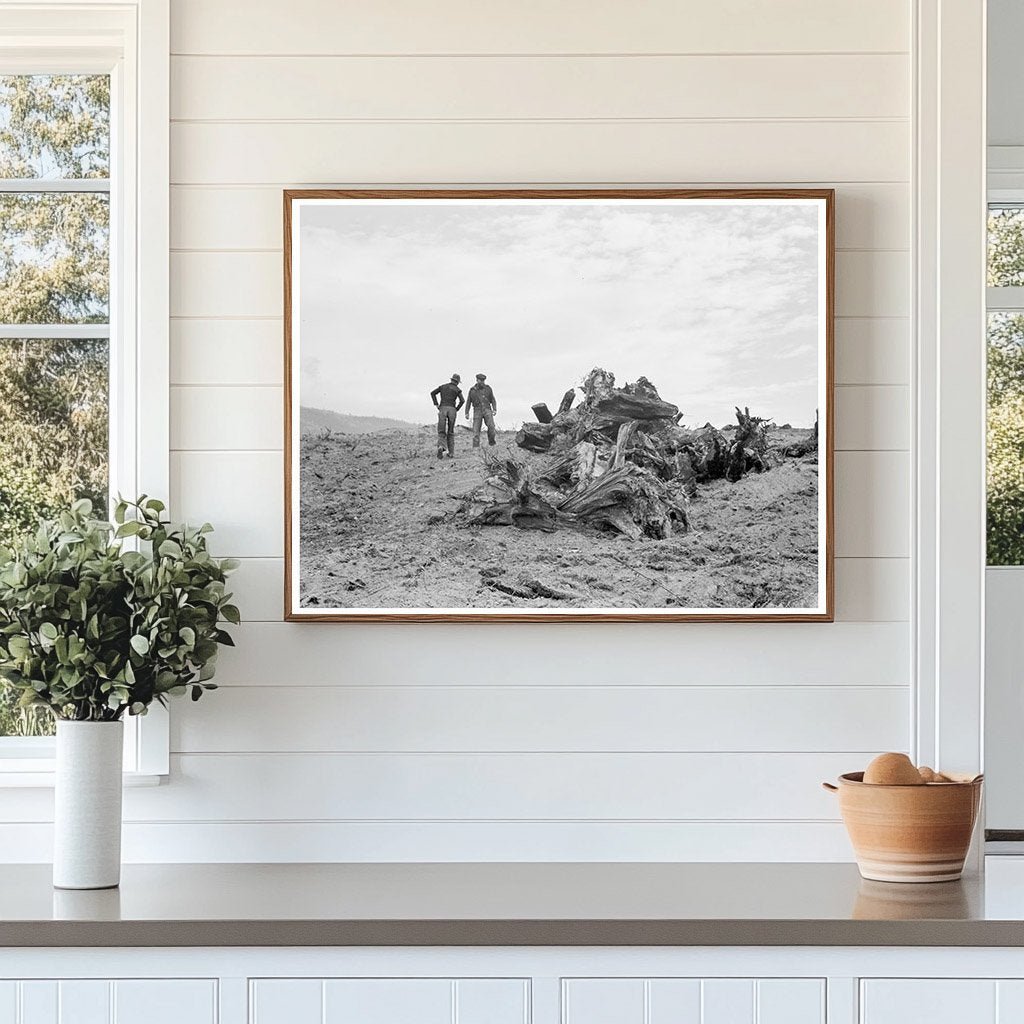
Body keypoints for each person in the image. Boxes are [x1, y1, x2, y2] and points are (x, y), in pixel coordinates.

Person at [430, 373, 464, 459]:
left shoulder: (443, 387)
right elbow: (462, 401)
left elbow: (433, 393)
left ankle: (441, 446)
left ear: (451, 379)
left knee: (441, 430)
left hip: (443, 408)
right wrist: (456, 409)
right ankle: (451, 453)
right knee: (451, 431)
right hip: (452, 410)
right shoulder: (457, 389)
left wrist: (436, 404)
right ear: (457, 382)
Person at [465, 373, 498, 448]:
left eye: (483, 381)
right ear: (477, 380)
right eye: (480, 380)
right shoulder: (472, 390)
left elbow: (493, 399)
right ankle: (475, 447)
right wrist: (466, 412)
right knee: (476, 430)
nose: (482, 382)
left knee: (491, 426)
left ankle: (492, 442)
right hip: (477, 410)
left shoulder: (488, 388)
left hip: (487, 409)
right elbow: (468, 402)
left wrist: (494, 409)